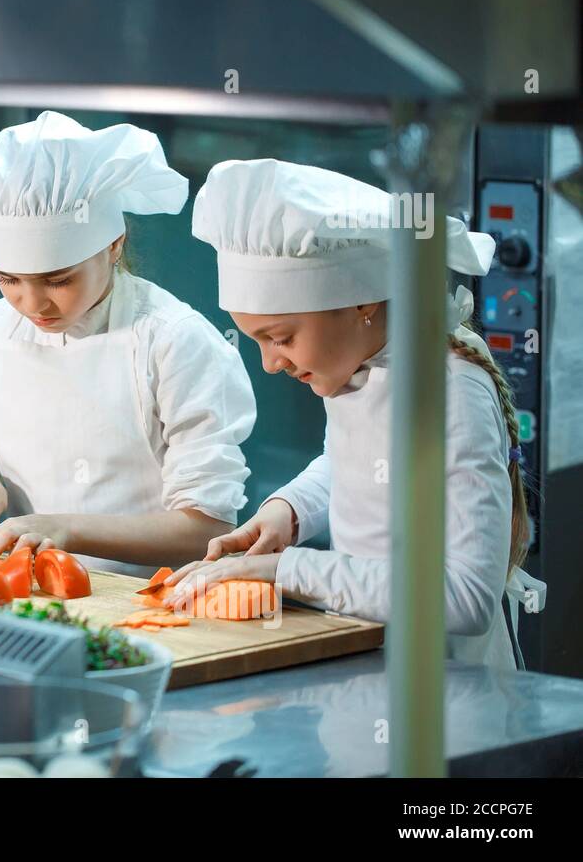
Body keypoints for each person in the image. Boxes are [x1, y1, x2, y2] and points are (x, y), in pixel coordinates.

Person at [169, 157, 546, 668]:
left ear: (361, 304)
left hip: (448, 699)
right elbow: (353, 464)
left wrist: (287, 570)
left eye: (280, 338)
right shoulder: (355, 363)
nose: (270, 363)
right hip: (364, 663)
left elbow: (465, 597)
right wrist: (290, 512)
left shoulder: (452, 392)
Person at [0, 111, 256, 575]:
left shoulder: (173, 341)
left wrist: (65, 529)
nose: (33, 304)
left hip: (147, 602)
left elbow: (207, 528)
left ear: (113, 245)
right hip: (28, 590)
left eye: (57, 279)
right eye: (8, 279)